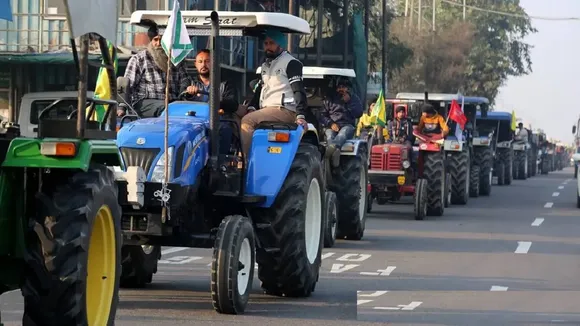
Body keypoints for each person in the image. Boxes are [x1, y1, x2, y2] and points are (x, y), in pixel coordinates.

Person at [241, 29, 309, 157]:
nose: (268, 47)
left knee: (248, 120)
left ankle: (247, 160)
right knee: (231, 114)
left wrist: (300, 115)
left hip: (284, 110)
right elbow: (261, 89)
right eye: (266, 43)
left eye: (271, 43)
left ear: (281, 45)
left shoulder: (291, 63)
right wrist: (251, 107)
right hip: (267, 110)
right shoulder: (266, 65)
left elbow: (298, 90)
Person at [122, 24, 197, 118]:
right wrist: (122, 107)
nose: (158, 43)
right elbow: (127, 86)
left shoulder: (176, 60)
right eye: (155, 39)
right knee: (166, 108)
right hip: (145, 103)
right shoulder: (139, 59)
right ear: (151, 40)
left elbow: (185, 82)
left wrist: (188, 91)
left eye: (162, 40)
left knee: (193, 112)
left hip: (172, 105)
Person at [185, 49, 239, 154]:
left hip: (218, 119)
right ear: (195, 64)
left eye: (207, 61)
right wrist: (189, 94)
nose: (203, 65)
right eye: (200, 62)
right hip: (194, 121)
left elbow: (233, 104)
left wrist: (217, 103)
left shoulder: (226, 83)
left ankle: (220, 162)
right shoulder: (188, 81)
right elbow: (181, 97)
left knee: (225, 129)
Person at [319, 78, 363, 165]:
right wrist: (331, 124)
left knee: (343, 133)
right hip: (332, 125)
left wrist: (349, 102)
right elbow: (322, 115)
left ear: (348, 89)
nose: (341, 89)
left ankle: (333, 148)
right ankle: (334, 155)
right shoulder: (330, 99)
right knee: (329, 135)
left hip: (347, 125)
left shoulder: (354, 98)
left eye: (344, 87)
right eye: (339, 87)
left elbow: (359, 113)